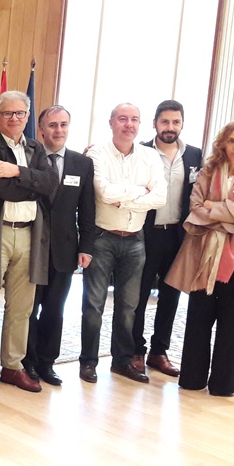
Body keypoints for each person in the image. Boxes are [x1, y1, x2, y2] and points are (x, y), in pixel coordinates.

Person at [165, 120, 234, 396]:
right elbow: (196, 208)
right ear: (223, 143)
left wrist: (218, 209)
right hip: (205, 255)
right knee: (199, 317)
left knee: (232, 322)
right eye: (231, 140)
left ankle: (223, 385)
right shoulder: (208, 172)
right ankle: (192, 378)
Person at [0, 91, 58, 395]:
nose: (14, 119)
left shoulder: (35, 147)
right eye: (8, 114)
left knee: (22, 306)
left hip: (31, 233)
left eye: (20, 113)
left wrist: (17, 171)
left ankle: (12, 366)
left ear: (28, 116)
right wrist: (32, 184)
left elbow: (51, 184)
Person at [80, 103, 167, 384]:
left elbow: (160, 198)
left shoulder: (150, 156)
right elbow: (103, 192)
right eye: (122, 119)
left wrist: (124, 197)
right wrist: (141, 192)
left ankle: (121, 362)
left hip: (135, 241)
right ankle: (88, 362)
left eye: (134, 120)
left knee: (128, 306)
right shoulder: (97, 154)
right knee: (93, 306)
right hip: (102, 239)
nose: (128, 125)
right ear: (111, 123)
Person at [22, 105, 96, 386]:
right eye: (52, 125)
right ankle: (26, 362)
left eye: (63, 124)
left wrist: (86, 247)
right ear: (41, 129)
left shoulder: (82, 163)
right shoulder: (29, 159)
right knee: (29, 309)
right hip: (32, 247)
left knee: (55, 309)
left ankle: (46, 362)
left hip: (64, 250)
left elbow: (87, 210)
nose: (58, 130)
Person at [131, 100, 203, 378]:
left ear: (182, 124)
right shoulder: (142, 152)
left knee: (171, 295)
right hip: (146, 233)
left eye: (175, 122)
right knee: (138, 295)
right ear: (155, 124)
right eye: (165, 122)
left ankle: (159, 351)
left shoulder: (195, 155)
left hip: (178, 235)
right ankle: (136, 349)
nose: (170, 127)